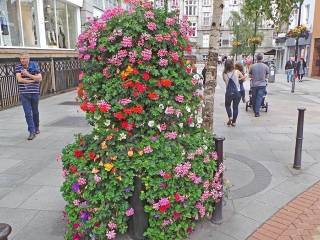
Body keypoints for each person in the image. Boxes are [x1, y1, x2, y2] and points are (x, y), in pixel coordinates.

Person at [15, 52, 42, 140]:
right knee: (27, 113)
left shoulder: (35, 66)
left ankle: (36, 127)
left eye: (24, 58)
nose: (22, 60)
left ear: (28, 59)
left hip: (34, 93)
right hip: (24, 93)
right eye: (21, 59)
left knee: (35, 112)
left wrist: (27, 75)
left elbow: (40, 78)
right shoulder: (18, 67)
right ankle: (31, 131)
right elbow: (19, 79)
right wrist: (32, 80)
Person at [222, 59, 244, 127]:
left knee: (227, 105)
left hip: (229, 92)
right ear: (232, 64)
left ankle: (230, 117)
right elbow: (243, 78)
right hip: (237, 92)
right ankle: (234, 122)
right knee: (235, 107)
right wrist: (238, 79)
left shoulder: (224, 73)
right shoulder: (237, 71)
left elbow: (225, 82)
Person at [249, 53, 269, 117]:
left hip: (254, 84)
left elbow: (250, 75)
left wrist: (254, 77)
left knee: (254, 97)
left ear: (256, 58)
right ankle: (257, 112)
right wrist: (264, 77)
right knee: (259, 98)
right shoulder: (266, 66)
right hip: (262, 84)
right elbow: (267, 76)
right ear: (262, 58)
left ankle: (255, 110)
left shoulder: (252, 66)